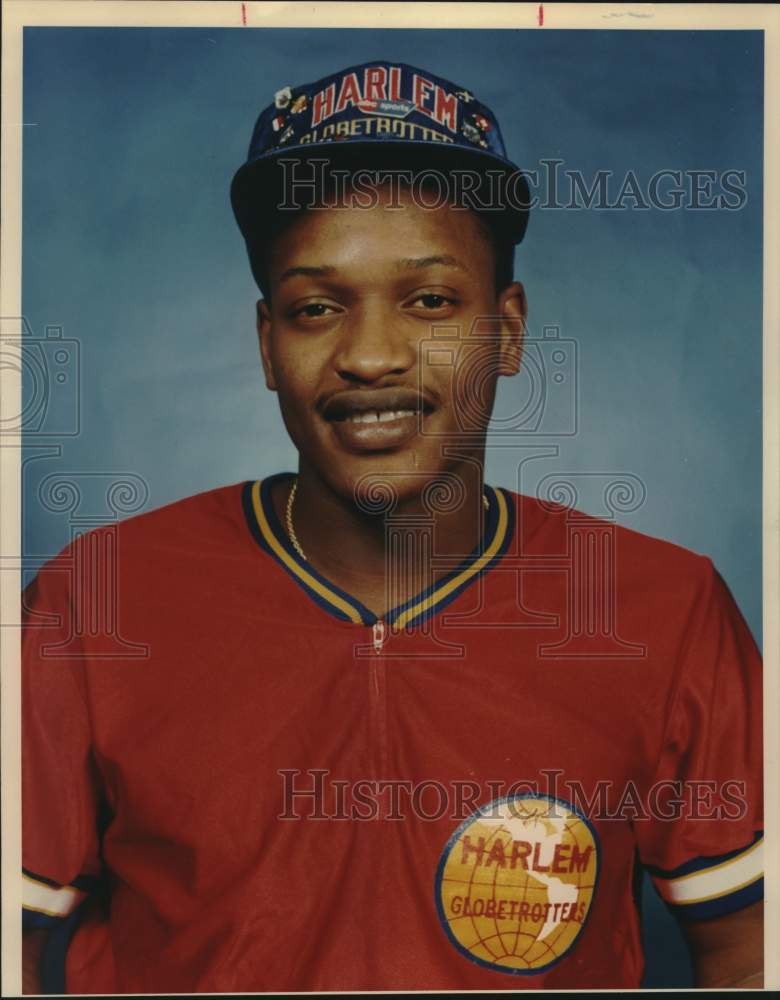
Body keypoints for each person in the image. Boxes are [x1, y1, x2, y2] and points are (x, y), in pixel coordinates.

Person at [21, 60, 763, 993]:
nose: (370, 355)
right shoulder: (96, 605)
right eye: (316, 309)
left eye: (430, 301)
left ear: (509, 329)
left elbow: (749, 949)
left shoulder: (663, 610)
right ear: (265, 345)